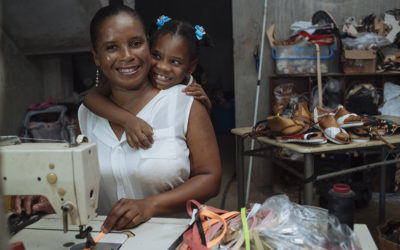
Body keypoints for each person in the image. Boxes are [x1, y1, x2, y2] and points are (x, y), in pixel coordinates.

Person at [12, 4, 221, 234]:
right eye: (112, 47)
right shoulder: (86, 114)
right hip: (104, 239)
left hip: (171, 239)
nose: (127, 56)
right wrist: (51, 198)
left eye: (136, 44)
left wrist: (149, 205)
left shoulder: (185, 102)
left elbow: (210, 178)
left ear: (147, 45)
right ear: (97, 57)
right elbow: (83, 183)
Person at [83, 14, 213, 150]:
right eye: (156, 55)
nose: (162, 67)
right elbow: (90, 98)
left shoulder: (189, 88)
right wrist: (127, 120)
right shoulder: (135, 77)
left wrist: (206, 108)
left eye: (175, 62)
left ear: (190, 67)